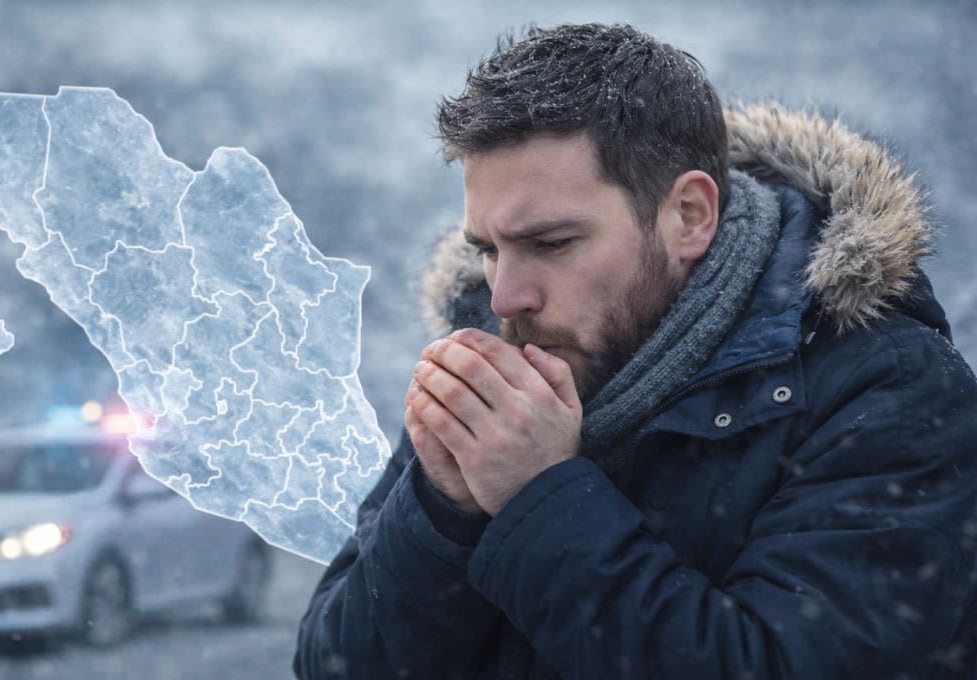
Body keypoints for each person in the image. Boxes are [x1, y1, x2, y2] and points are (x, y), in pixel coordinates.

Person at [294, 23, 977, 679]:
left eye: (551, 244)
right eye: (488, 250)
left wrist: (538, 495)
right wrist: (444, 510)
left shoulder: (887, 389)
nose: (505, 297)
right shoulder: (497, 369)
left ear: (689, 216)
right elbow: (334, 665)